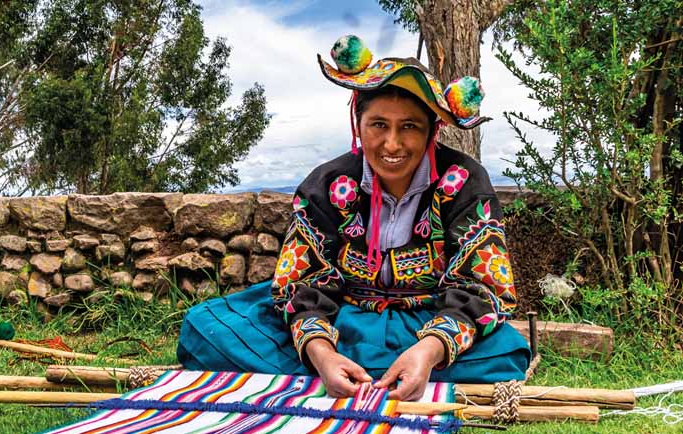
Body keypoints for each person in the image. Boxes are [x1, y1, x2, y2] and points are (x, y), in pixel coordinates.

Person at [177, 35, 530, 401]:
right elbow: (304, 282)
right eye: (379, 124)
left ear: (431, 130)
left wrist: (430, 350)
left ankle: (389, 369)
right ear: (357, 123)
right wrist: (322, 351)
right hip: (343, 319)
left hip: (429, 322)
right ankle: (342, 368)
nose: (392, 144)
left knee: (505, 354)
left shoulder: (464, 182)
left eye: (409, 126)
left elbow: (481, 288)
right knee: (204, 328)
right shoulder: (327, 184)